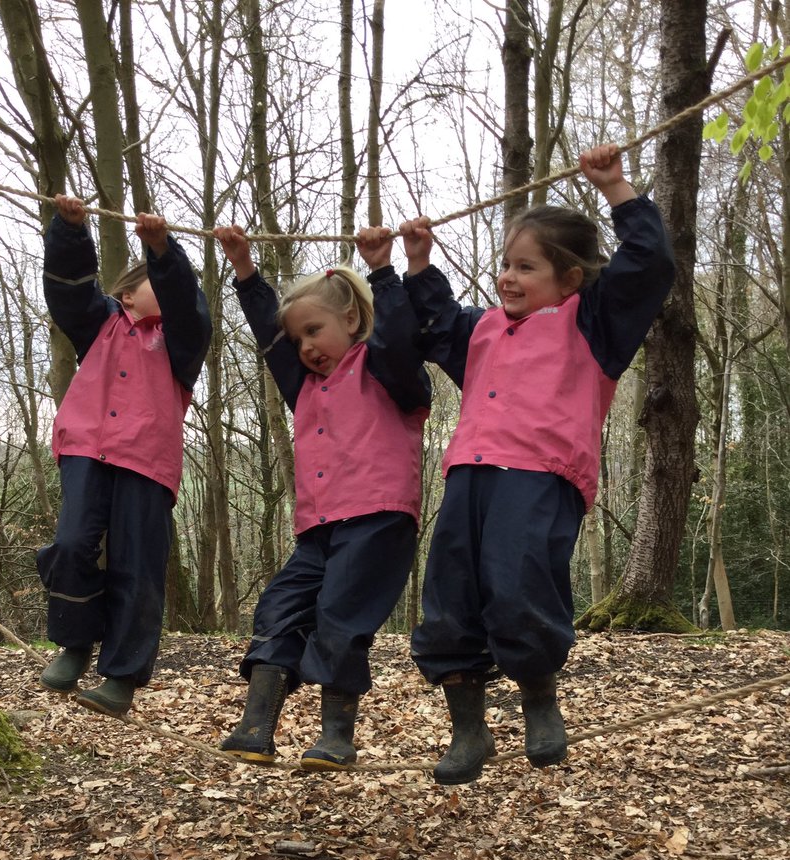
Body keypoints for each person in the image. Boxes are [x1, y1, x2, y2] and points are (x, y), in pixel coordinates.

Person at [400, 144, 675, 784]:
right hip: (469, 473)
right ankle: (468, 726)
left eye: (526, 267)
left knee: (519, 582)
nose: (508, 277)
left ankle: (538, 696)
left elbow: (647, 267)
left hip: (542, 475)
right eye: (504, 264)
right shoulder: (484, 330)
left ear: (569, 279)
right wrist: (417, 264)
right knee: (449, 597)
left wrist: (617, 191)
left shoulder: (594, 325)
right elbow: (438, 321)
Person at [212, 223, 431, 769]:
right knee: (279, 608)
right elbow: (271, 339)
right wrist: (244, 271)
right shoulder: (304, 386)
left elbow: (401, 337)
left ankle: (337, 735)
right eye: (299, 340)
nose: (306, 347)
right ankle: (256, 726)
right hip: (318, 526)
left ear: (352, 320)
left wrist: (384, 271)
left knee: (339, 616)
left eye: (315, 331)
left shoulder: (387, 370)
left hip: (378, 518)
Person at [37, 195, 212, 715]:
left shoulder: (180, 343)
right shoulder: (100, 322)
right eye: (152, 278)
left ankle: (122, 677)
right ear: (127, 294)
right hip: (87, 447)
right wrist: (71, 231)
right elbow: (66, 291)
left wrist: (163, 250)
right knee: (71, 544)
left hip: (147, 460)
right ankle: (74, 642)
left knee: (139, 566)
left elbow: (188, 307)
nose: (169, 290)